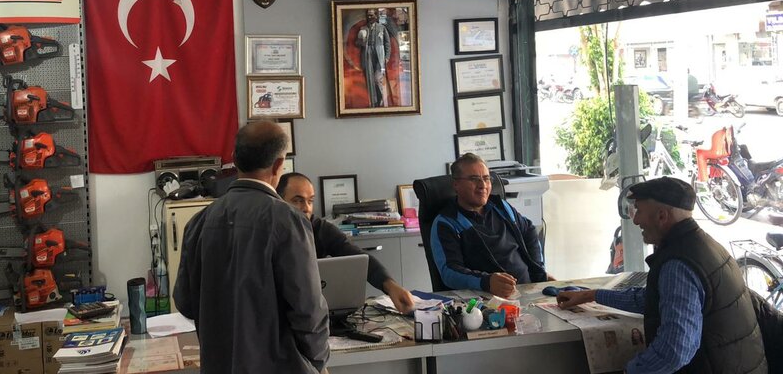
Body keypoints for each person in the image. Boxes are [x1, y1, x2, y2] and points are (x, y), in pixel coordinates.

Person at [557, 177, 767, 374]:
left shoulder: (678, 265)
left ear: (662, 216)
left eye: (639, 211)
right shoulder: (706, 246)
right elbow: (653, 299)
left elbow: (675, 351)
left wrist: (631, 371)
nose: (635, 220)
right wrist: (591, 295)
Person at [173, 121, 329, 374]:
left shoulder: (199, 221)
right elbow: (308, 310)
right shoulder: (288, 221)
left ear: (235, 159)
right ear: (279, 165)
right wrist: (317, 362)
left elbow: (185, 302)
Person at [277, 172, 416, 314]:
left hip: (313, 309)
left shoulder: (320, 228)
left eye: (310, 201)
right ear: (279, 201)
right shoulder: (270, 231)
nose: (306, 208)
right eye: (297, 201)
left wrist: (391, 286)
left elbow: (359, 257)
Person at [429, 153, 549, 297]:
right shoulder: (447, 222)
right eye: (474, 179)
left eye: (486, 178)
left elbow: (529, 230)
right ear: (456, 184)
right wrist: (486, 281)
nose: (482, 185)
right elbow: (450, 272)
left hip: (527, 291)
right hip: (486, 298)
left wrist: (539, 271)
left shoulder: (501, 207)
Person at [354, 8, 393, 108]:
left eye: (371, 15)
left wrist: (387, 57)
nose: (369, 17)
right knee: (369, 79)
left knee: (377, 79)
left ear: (376, 16)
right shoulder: (363, 28)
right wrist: (361, 41)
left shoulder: (382, 28)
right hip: (367, 55)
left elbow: (387, 44)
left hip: (379, 55)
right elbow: (356, 43)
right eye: (368, 15)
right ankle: (373, 103)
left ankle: (381, 99)